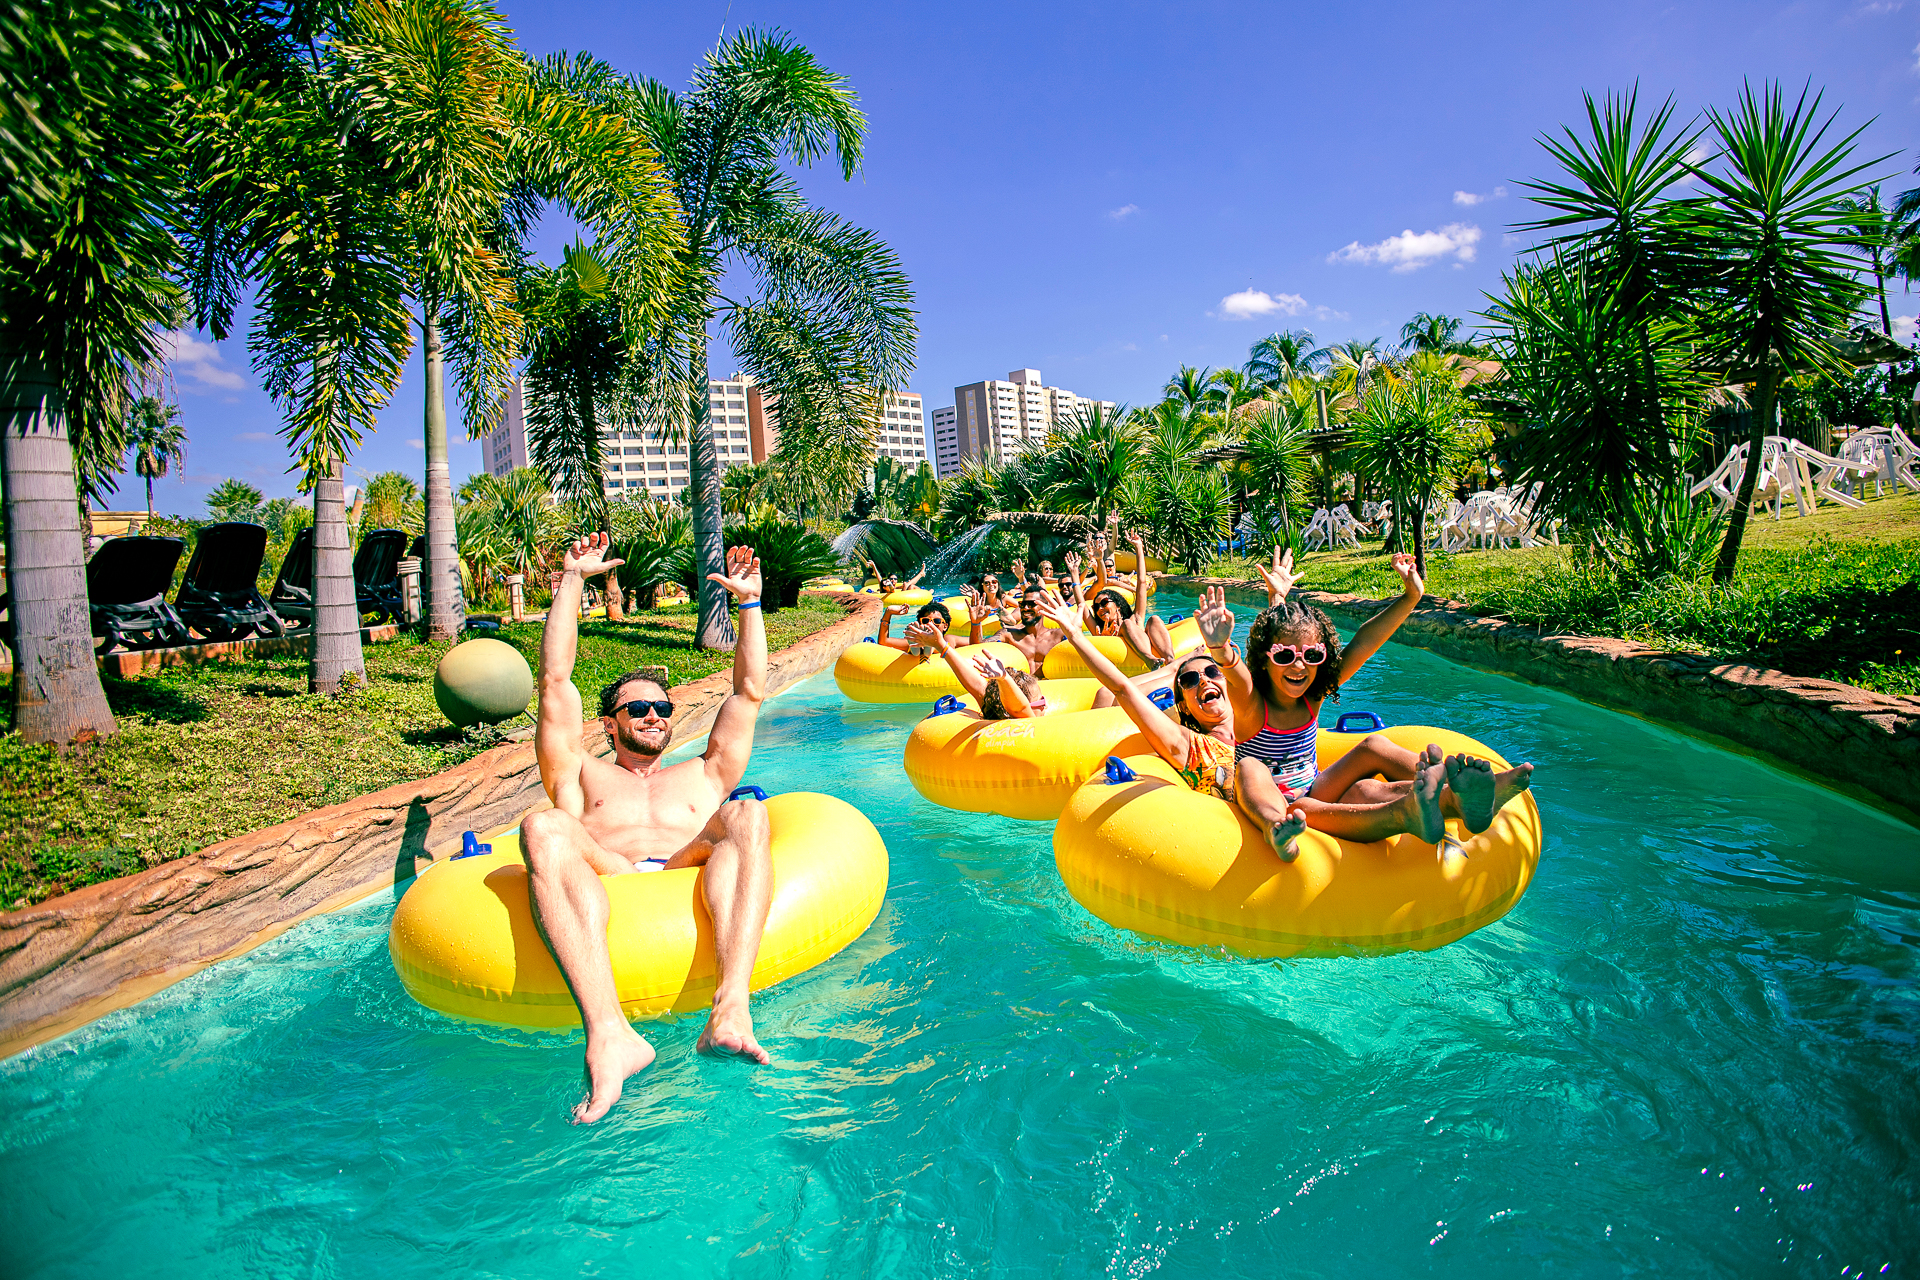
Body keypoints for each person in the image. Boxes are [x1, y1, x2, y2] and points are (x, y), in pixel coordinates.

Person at [523, 533, 775, 1124]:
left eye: (661, 708)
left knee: (750, 811)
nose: (654, 716)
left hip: (685, 863)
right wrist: (573, 581)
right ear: (611, 724)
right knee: (544, 827)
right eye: (637, 709)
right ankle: (610, 1034)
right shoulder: (577, 772)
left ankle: (730, 1007)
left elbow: (749, 691)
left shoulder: (704, 772)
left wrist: (749, 604)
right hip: (608, 872)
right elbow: (554, 683)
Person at [1206, 553, 1535, 840]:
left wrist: (1411, 597)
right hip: (1276, 806)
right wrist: (1220, 648)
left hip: (1318, 789)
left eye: (1313, 656)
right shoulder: (1252, 705)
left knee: (1370, 762)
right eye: (1284, 657)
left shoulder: (1314, 694)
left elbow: (1363, 643)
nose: (1299, 665)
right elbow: (1236, 673)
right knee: (1253, 767)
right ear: (1264, 661)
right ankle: (1402, 814)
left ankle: (1458, 794)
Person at [1031, 587, 1350, 858]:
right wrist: (1075, 636)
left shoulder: (1263, 714)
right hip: (1252, 831)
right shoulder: (1189, 746)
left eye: (1212, 673)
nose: (1203, 681)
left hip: (1311, 797)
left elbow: (1282, 659)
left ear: (1229, 682)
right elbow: (1122, 688)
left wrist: (1277, 596)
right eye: (1188, 679)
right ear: (1183, 704)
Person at [876, 599, 966, 652]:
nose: (931, 624)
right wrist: (888, 612)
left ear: (945, 626)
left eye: (937, 621)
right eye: (926, 620)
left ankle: (927, 646)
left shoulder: (950, 639)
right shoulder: (912, 640)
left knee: (918, 643)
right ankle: (922, 647)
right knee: (915, 642)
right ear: (920, 624)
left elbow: (977, 643)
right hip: (917, 645)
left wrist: (975, 623)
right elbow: (884, 642)